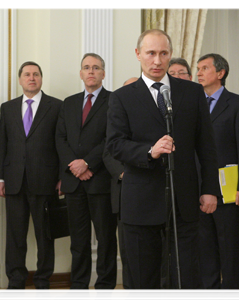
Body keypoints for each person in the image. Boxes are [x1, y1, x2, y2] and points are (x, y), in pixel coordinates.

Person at [106, 29, 221, 300]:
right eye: (151, 53)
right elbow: (114, 144)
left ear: (170, 55)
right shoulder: (122, 97)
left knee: (186, 278)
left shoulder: (192, 92)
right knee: (144, 281)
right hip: (140, 201)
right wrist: (150, 150)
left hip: (184, 200)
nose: (157, 60)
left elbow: (206, 146)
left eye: (163, 53)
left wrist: (210, 189)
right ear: (138, 55)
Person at [0, 61, 62, 299]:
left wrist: (62, 176)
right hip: (13, 181)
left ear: (41, 78)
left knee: (45, 237)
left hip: (45, 181)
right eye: (27, 74)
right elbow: (2, 145)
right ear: (20, 79)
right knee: (15, 236)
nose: (31, 78)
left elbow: (61, 145)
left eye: (36, 74)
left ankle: (42, 284)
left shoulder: (56, 106)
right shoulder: (8, 107)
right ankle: (16, 283)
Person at [55, 53, 117, 300]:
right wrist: (75, 166)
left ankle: (104, 290)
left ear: (103, 73)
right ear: (81, 73)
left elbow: (111, 139)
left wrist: (88, 163)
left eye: (96, 68)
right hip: (74, 182)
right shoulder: (68, 103)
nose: (91, 72)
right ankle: (79, 288)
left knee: (105, 240)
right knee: (78, 241)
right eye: (86, 68)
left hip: (100, 181)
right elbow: (60, 139)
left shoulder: (114, 101)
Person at [196, 53, 239, 300]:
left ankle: (230, 294)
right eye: (197, 68)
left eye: (204, 68)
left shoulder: (238, 104)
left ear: (220, 73)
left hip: (229, 189)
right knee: (205, 246)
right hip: (199, 187)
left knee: (228, 245)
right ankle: (210, 293)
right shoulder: (194, 103)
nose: (198, 73)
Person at [102, 77, 138, 300]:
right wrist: (124, 173)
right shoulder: (116, 117)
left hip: (149, 190)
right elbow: (108, 151)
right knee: (127, 247)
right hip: (123, 190)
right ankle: (131, 290)